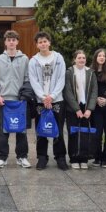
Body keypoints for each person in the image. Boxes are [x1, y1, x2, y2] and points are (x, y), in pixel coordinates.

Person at [28, 31, 66, 170]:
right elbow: (33, 80)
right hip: (41, 102)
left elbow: (61, 78)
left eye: (45, 41)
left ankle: (60, 157)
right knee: (41, 130)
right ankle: (42, 157)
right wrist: (44, 97)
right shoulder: (33, 61)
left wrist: (52, 96)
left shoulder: (58, 58)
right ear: (37, 45)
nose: (43, 44)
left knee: (58, 130)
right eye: (40, 42)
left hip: (57, 100)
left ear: (49, 42)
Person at [0, 30, 30, 168]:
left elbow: (27, 79)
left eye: (13, 40)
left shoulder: (24, 59)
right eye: (8, 40)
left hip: (20, 100)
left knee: (21, 130)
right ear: (5, 42)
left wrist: (24, 96)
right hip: (4, 100)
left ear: (17, 42)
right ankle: (2, 158)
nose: (11, 42)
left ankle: (22, 157)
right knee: (3, 130)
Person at [63, 50, 98, 169]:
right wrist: (77, 109)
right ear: (74, 59)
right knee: (73, 133)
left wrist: (89, 109)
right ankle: (73, 158)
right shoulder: (69, 72)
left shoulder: (91, 73)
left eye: (83, 58)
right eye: (79, 58)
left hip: (86, 107)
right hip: (73, 108)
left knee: (85, 134)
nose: (82, 60)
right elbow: (67, 91)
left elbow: (94, 92)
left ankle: (84, 158)